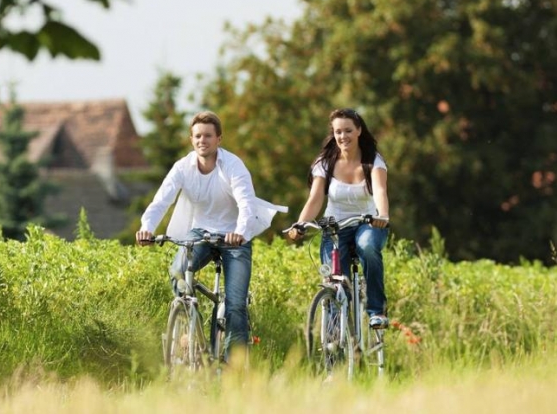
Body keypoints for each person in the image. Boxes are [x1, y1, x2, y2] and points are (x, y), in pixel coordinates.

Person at [136, 111, 286, 356]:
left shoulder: (232, 165)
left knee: (235, 304)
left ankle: (232, 366)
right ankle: (188, 325)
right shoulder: (182, 167)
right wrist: (147, 228)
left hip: (234, 235)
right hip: (201, 232)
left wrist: (240, 232)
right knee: (178, 270)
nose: (202, 141)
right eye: (197, 136)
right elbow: (161, 200)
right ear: (191, 139)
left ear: (219, 139)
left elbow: (246, 202)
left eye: (207, 136)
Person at [288, 108, 391, 329]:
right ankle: (334, 340)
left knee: (367, 247)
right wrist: (300, 223)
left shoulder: (373, 161)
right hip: (335, 227)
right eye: (338, 132)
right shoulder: (325, 162)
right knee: (336, 282)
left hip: (368, 224)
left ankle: (376, 311)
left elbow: (381, 191)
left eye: (348, 131)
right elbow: (315, 198)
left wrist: (382, 216)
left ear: (359, 131)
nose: (343, 136)